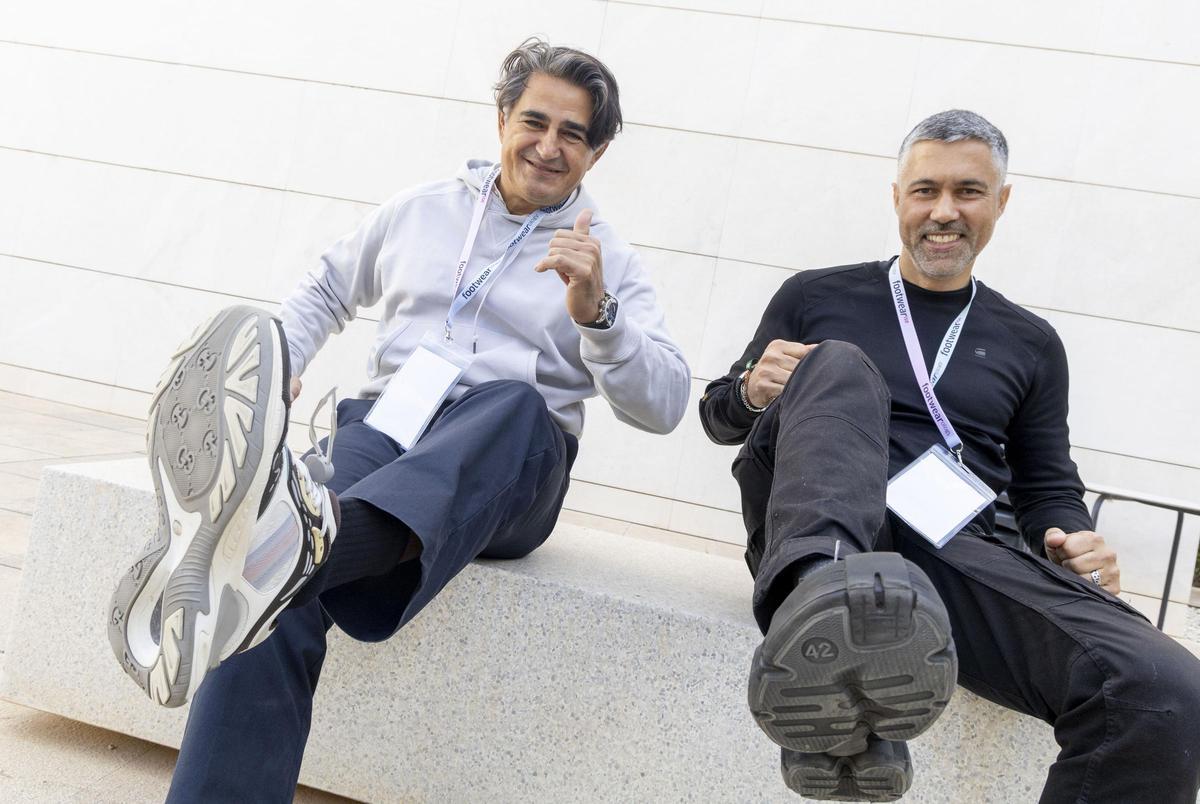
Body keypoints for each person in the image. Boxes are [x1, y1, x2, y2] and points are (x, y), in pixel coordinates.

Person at [107, 38, 689, 800]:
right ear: (503, 118)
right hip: (386, 431)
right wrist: (278, 366)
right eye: (535, 122)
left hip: (511, 465)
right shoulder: (422, 210)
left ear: (597, 152)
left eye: (573, 135)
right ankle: (283, 564)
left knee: (512, 405)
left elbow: (668, 402)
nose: (548, 147)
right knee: (266, 597)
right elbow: (324, 290)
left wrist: (599, 316)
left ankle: (294, 551)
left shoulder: (605, 255)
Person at [698, 109, 1200, 802]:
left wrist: (1074, 537)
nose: (944, 211)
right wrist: (751, 390)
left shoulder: (1031, 342)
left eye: (967, 192)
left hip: (955, 545)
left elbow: (1047, 485)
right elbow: (718, 418)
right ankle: (827, 611)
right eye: (925, 190)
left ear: (1001, 201)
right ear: (897, 197)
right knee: (840, 365)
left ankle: (852, 671)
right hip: (825, 526)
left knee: (1165, 690)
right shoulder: (816, 296)